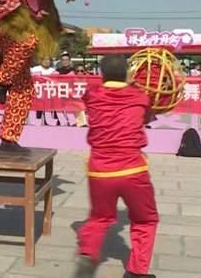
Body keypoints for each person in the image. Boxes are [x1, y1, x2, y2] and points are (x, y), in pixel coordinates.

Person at [73, 54, 158, 278]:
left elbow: (89, 98)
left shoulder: (92, 94)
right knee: (145, 220)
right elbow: (147, 117)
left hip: (100, 170)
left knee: (99, 218)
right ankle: (137, 271)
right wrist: (133, 86)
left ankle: (88, 253)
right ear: (128, 72)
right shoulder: (140, 96)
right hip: (133, 169)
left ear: (102, 74)